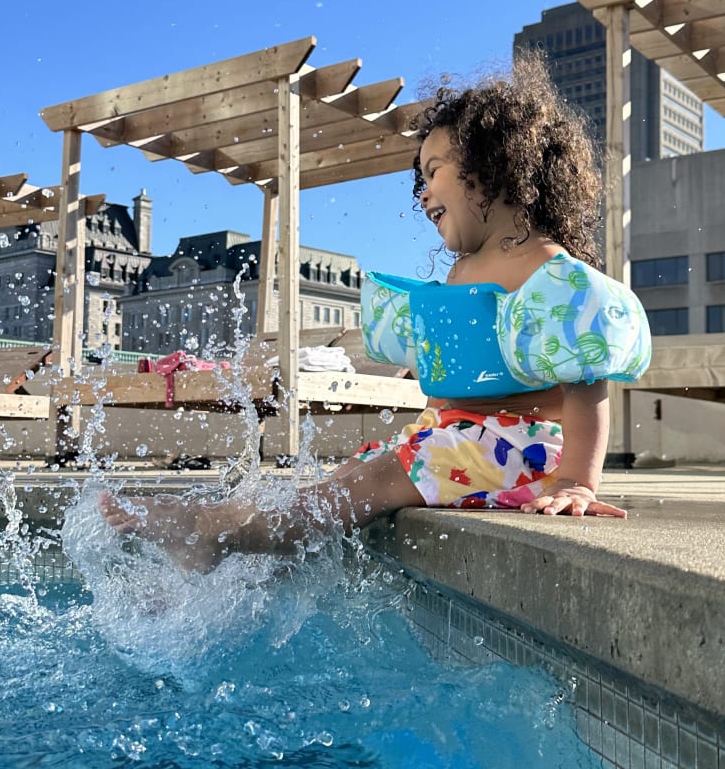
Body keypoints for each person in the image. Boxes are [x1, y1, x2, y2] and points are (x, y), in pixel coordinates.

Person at [99, 55, 653, 570]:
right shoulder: (463, 272)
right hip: (464, 440)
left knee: (368, 483)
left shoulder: (548, 270)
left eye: (434, 170)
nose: (422, 192)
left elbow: (585, 386)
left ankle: (208, 531)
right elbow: (447, 389)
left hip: (524, 450)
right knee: (344, 478)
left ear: (492, 166)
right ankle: (243, 548)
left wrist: (577, 482)